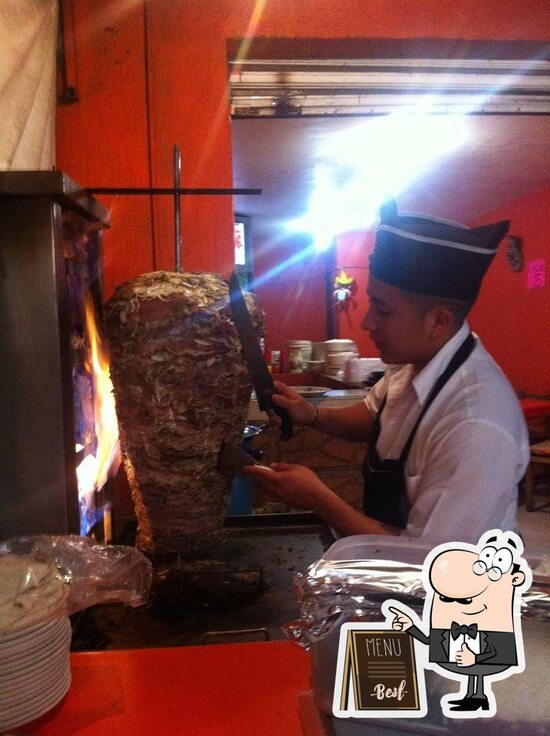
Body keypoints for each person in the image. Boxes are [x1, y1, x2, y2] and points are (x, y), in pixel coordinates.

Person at [245, 201, 530, 543]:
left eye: (382, 309)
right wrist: (311, 414)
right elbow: (374, 416)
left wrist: (317, 499)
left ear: (437, 322)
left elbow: (430, 562)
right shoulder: (411, 362)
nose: (366, 322)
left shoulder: (476, 424)